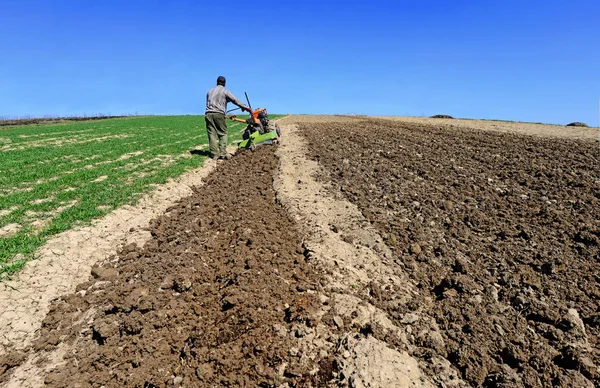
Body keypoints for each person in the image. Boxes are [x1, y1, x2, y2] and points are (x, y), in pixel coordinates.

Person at [205, 76, 249, 160]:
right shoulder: (225, 91)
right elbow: (235, 100)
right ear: (224, 83)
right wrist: (245, 107)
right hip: (219, 114)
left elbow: (211, 102)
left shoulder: (209, 91)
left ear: (217, 82)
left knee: (212, 135)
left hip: (208, 114)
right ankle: (223, 153)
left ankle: (214, 155)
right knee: (222, 133)